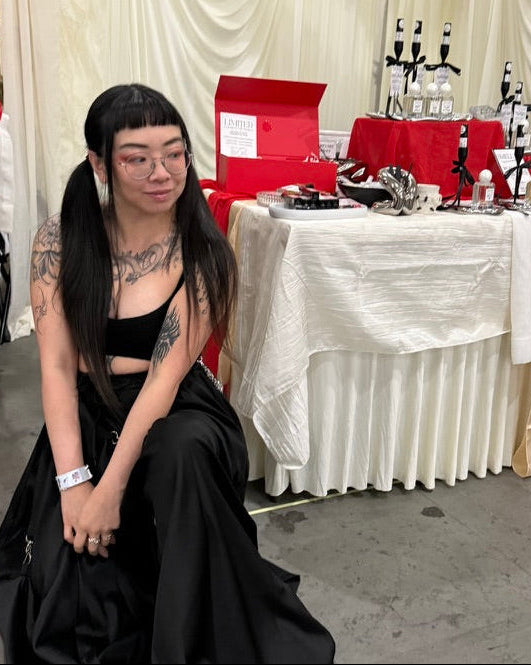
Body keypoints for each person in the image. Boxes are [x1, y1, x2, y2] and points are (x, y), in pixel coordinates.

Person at [0, 84, 336, 663]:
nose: (162, 173)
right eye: (137, 158)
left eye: (175, 153)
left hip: (175, 410)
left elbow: (162, 380)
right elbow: (55, 366)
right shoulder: (60, 239)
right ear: (100, 164)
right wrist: (74, 482)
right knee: (67, 586)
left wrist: (110, 492)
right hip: (89, 407)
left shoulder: (203, 251)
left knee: (180, 453)